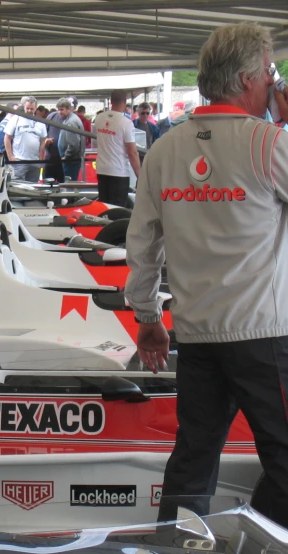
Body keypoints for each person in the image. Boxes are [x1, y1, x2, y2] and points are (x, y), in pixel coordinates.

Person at [124, 22, 288, 525]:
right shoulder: (267, 144)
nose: (274, 84)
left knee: (194, 457)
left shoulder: (166, 149)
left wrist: (147, 317)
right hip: (263, 334)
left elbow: (142, 242)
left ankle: (178, 541)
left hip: (195, 334)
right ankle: (259, 530)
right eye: (269, 73)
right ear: (245, 80)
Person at [93, 89, 140, 206]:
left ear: (111, 101)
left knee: (104, 207)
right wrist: (140, 175)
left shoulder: (99, 118)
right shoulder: (126, 123)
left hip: (102, 169)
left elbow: (95, 141)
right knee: (117, 211)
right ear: (125, 101)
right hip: (119, 171)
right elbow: (132, 152)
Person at [4, 96, 47, 182]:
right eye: (27, 108)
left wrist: (40, 158)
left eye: (32, 109)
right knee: (18, 186)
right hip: (19, 161)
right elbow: (7, 138)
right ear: (24, 107)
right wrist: (11, 157)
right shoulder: (15, 119)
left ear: (36, 109)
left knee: (33, 187)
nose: (29, 111)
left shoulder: (40, 122)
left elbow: (43, 141)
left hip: (35, 161)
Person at [56, 98, 85, 181]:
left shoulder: (70, 122)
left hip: (71, 161)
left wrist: (66, 156)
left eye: (62, 109)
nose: (59, 112)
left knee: (69, 185)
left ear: (69, 109)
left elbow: (73, 144)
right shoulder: (70, 119)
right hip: (71, 160)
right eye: (58, 110)